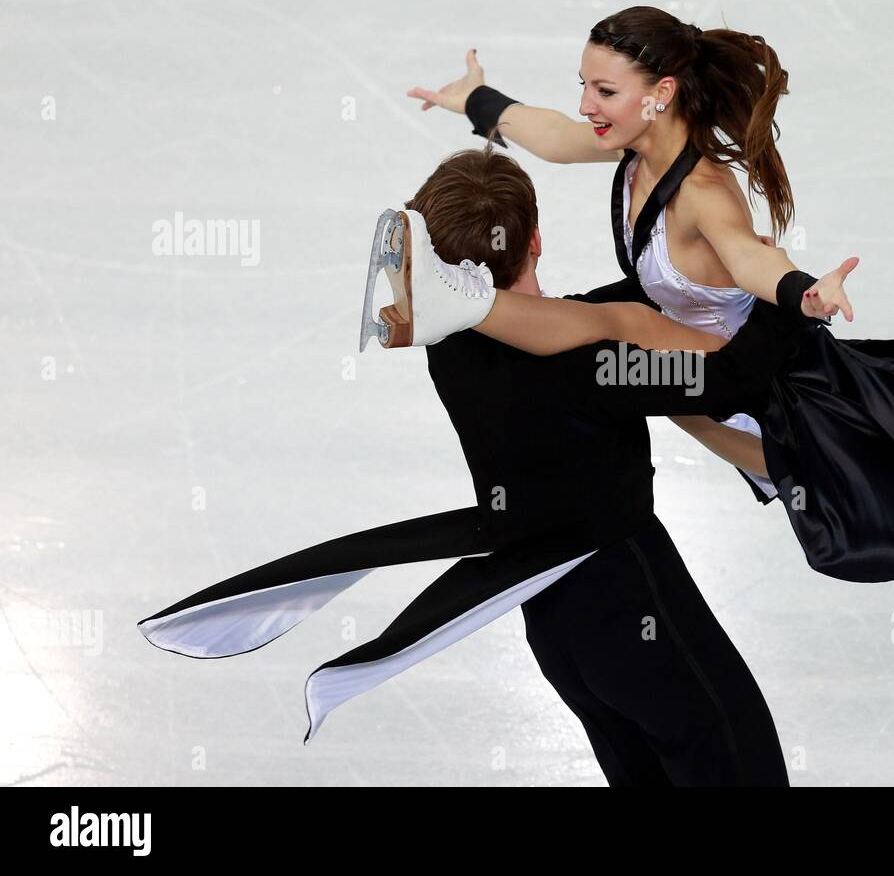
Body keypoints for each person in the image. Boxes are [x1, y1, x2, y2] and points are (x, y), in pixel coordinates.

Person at [139, 145, 820, 785]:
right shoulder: (589, 365)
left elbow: (587, 317)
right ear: (536, 241)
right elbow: (730, 380)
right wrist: (780, 297)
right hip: (632, 604)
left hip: (557, 627)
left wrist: (661, 280)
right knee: (740, 759)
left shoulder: (453, 350)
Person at [387, 6, 894, 584]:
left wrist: (801, 291)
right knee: (610, 323)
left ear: (661, 93)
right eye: (583, 86)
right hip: (692, 343)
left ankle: (462, 303)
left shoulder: (702, 191)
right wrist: (477, 100)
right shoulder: (633, 147)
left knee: (615, 323)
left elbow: (746, 257)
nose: (587, 105)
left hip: (751, 375)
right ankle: (463, 305)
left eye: (604, 89)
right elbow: (556, 139)